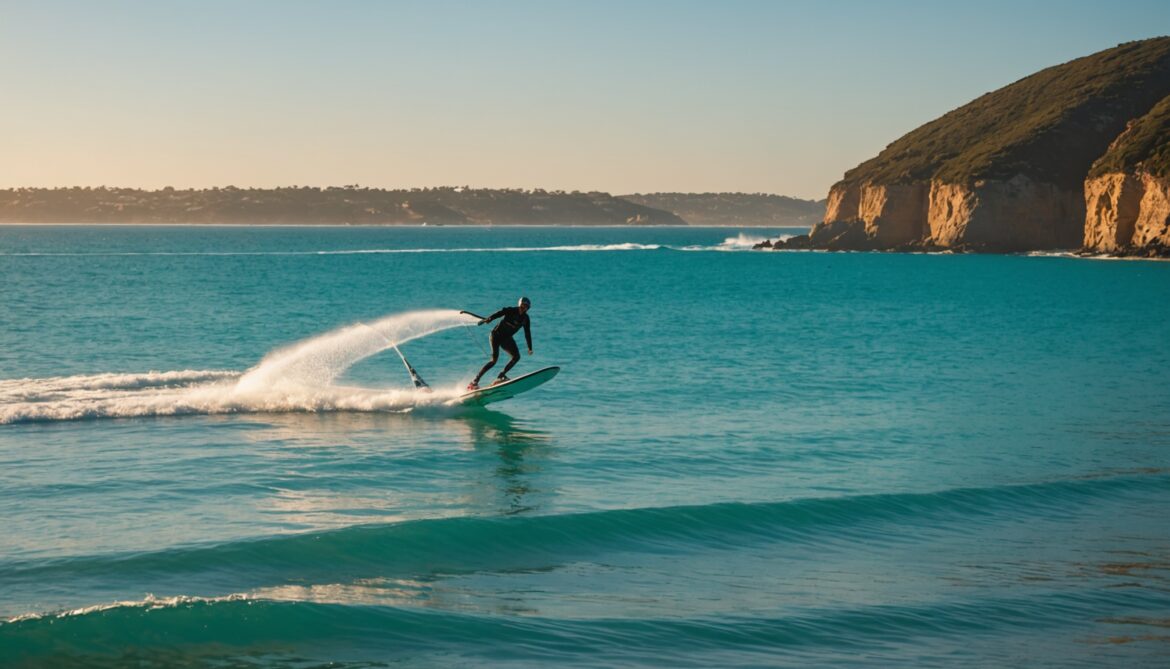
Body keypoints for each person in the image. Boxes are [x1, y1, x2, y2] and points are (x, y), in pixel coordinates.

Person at [468, 296, 532, 390]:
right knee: (494, 361)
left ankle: (501, 376)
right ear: (519, 305)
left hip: (507, 339)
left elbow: (527, 333)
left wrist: (529, 348)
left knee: (516, 357)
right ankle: (474, 382)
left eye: (526, 307)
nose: (524, 308)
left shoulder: (526, 319)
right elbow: (500, 313)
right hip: (496, 336)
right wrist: (490, 318)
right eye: (522, 306)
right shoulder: (511, 310)